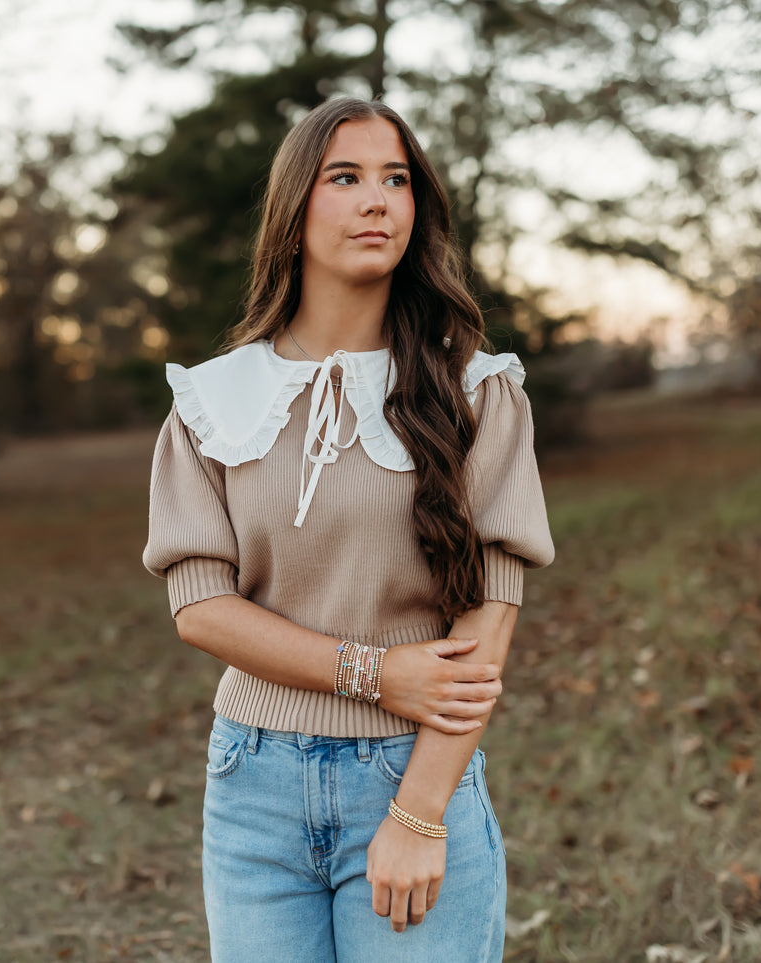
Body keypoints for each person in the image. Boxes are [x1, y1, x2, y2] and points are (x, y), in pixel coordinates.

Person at [141, 96, 555, 961]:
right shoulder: (213, 404)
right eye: (346, 177)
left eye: (396, 179)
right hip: (251, 784)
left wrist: (417, 813)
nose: (378, 200)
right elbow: (200, 608)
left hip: (409, 772)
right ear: (293, 214)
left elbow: (488, 618)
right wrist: (373, 672)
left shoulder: (477, 390)